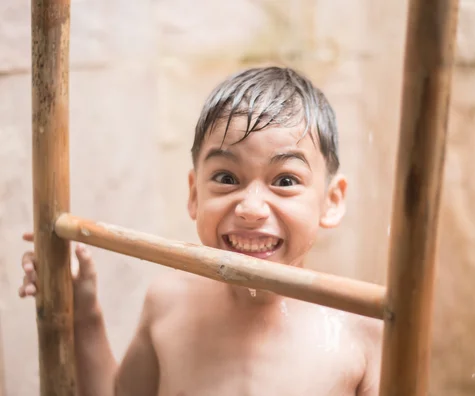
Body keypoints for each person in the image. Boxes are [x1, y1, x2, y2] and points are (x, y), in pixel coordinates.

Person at [19, 66, 383, 395]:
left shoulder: (363, 332)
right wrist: (84, 313)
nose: (251, 209)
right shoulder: (167, 305)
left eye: (285, 180)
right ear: (195, 194)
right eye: (226, 178)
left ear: (331, 201)